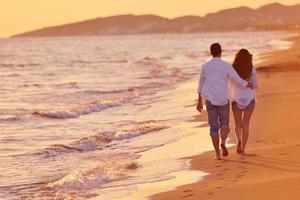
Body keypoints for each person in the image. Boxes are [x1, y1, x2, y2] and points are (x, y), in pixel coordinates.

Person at [197, 43, 252, 160]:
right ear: (221, 52)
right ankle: (223, 142)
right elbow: (236, 79)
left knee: (213, 128)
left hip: (210, 100)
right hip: (223, 100)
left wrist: (199, 101)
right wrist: (247, 84)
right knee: (225, 125)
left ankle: (217, 154)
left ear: (211, 52)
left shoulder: (205, 66)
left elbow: (200, 84)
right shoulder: (226, 66)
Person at [229, 49, 258, 156]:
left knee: (237, 124)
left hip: (236, 99)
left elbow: (231, 83)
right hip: (249, 98)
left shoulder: (233, 69)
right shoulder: (251, 69)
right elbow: (256, 85)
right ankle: (243, 149)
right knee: (246, 124)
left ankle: (239, 142)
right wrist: (248, 83)